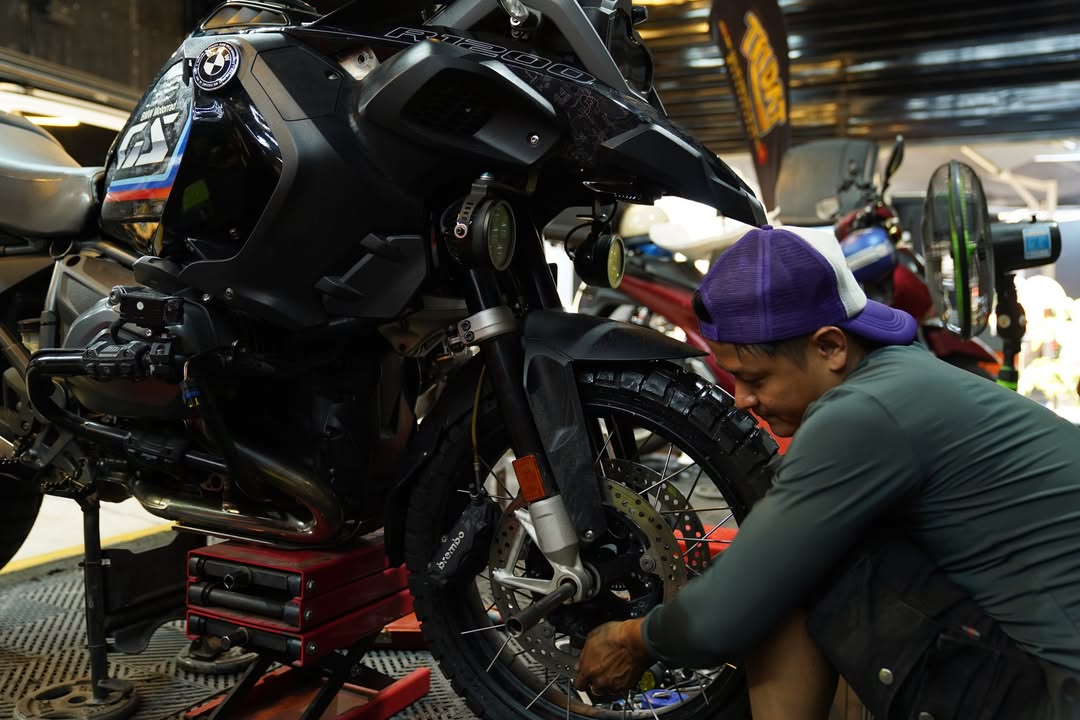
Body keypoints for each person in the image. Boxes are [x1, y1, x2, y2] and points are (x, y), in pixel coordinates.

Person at [573, 224, 1080, 719]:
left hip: (1062, 693)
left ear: (831, 347)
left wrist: (634, 638)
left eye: (755, 379)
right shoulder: (904, 375)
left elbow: (729, 609)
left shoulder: (861, 415)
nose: (743, 400)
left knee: (784, 578)